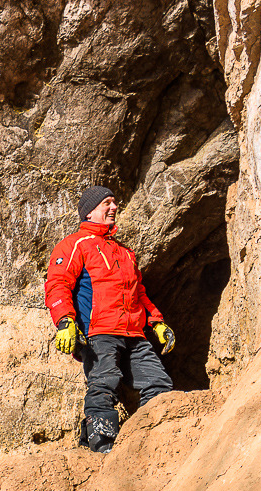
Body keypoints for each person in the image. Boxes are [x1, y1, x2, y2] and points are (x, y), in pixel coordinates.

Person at [43, 185, 176, 452]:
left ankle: (155, 439)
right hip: (98, 333)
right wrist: (65, 322)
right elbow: (57, 285)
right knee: (104, 384)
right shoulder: (74, 245)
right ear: (89, 212)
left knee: (158, 382)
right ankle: (100, 446)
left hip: (135, 334)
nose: (114, 207)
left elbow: (139, 292)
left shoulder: (125, 253)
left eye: (114, 202)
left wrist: (157, 322)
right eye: (107, 203)